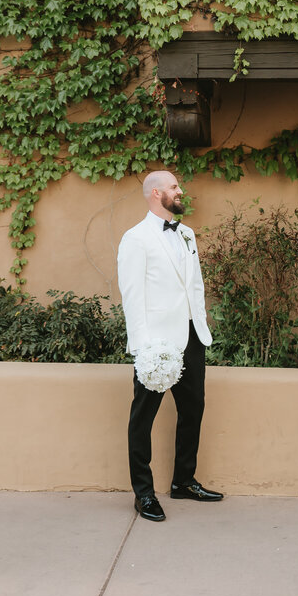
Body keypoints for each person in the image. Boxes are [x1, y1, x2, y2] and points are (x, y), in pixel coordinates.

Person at [117, 169, 223, 521]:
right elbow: (132, 297)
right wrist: (143, 347)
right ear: (155, 193)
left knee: (193, 410)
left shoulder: (187, 233)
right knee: (143, 417)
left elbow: (195, 286)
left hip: (192, 337)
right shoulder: (136, 238)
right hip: (158, 344)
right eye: (175, 187)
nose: (181, 191)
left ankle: (183, 481)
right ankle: (143, 493)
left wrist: (201, 324)